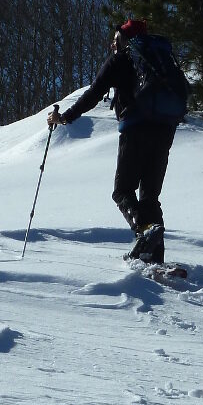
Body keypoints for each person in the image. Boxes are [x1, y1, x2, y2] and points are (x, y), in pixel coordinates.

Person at [47, 19, 179, 264]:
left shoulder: (121, 60)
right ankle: (155, 260)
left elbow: (93, 94)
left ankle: (144, 231)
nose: (112, 44)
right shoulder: (160, 59)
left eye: (115, 39)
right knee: (149, 197)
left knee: (122, 191)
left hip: (136, 129)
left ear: (124, 39)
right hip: (164, 130)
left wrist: (65, 117)